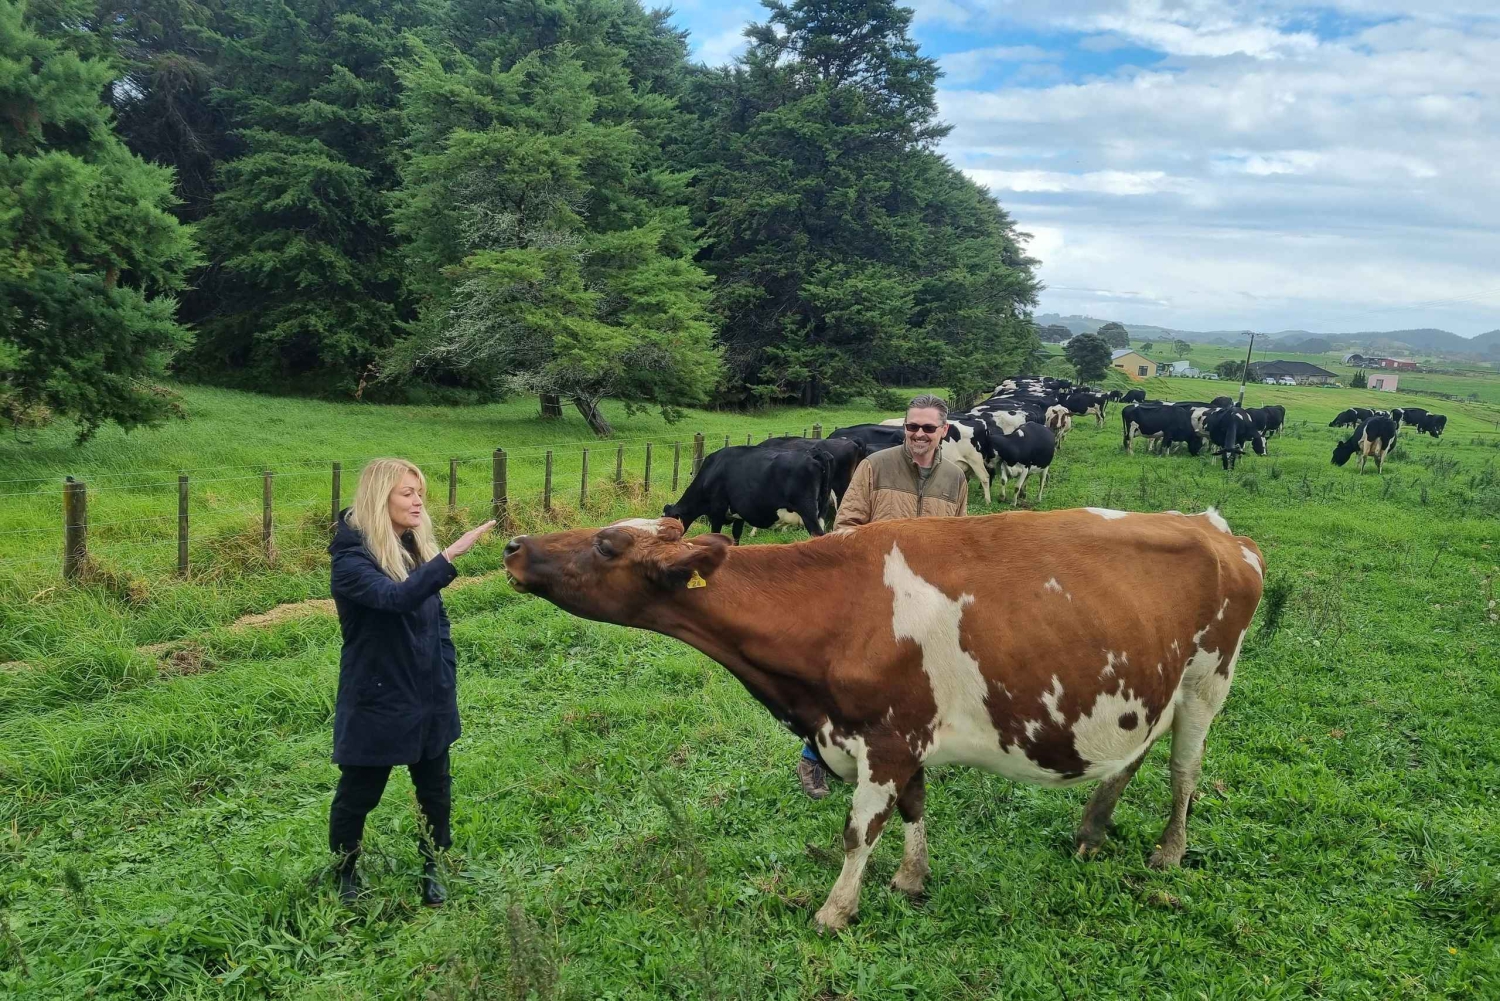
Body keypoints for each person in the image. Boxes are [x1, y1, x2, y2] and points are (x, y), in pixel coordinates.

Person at [327, 458, 495, 907]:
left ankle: (433, 867)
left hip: (429, 692)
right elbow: (395, 599)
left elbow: (435, 618)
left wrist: (445, 670)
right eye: (407, 493)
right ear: (380, 497)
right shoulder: (351, 559)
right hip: (377, 695)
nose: (418, 501)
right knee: (359, 793)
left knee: (435, 791)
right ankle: (345, 873)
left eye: (420, 492)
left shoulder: (412, 548)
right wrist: (450, 555)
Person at [796, 394, 970, 799]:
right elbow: (846, 526)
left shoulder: (955, 479)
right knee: (849, 681)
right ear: (904, 428)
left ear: (944, 430)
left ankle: (900, 753)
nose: (919, 434)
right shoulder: (874, 466)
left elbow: (961, 540)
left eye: (928, 427)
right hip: (875, 595)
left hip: (928, 600)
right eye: (912, 427)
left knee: (915, 683)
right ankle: (812, 755)